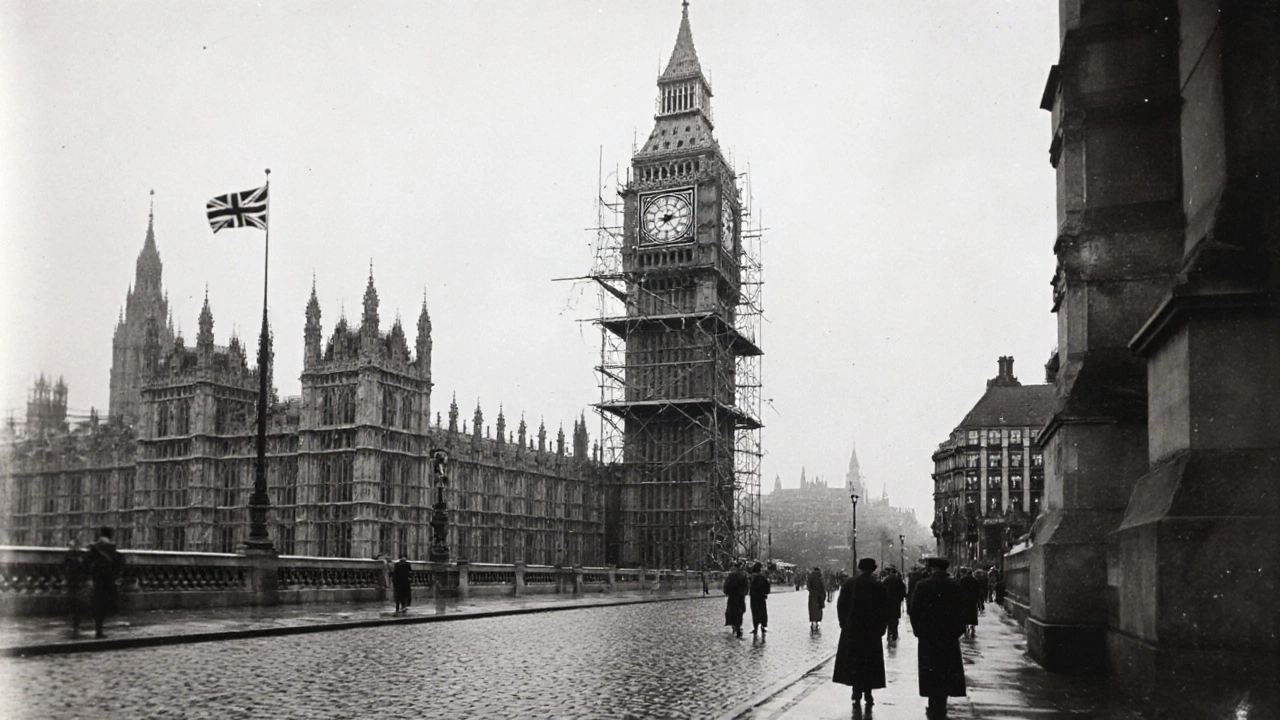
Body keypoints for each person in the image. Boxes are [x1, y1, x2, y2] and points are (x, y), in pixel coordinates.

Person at [909, 556, 967, 719]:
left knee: (930, 668)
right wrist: (957, 631)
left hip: (928, 635)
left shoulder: (923, 585)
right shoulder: (954, 585)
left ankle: (932, 700)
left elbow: (914, 610)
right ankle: (942, 701)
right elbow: (961, 611)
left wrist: (918, 630)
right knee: (946, 668)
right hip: (948, 636)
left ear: (932, 568)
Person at [832, 558, 888, 712]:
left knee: (855, 660)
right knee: (870, 662)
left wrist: (844, 623)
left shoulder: (850, 583)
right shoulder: (878, 585)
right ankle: (868, 692)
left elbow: (841, 605)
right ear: (873, 569)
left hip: (853, 630)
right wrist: (881, 627)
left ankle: (856, 691)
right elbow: (884, 609)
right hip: (871, 631)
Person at [83, 526, 123, 639]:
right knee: (105, 605)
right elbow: (117, 564)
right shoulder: (111, 547)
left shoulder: (94, 547)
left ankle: (97, 629)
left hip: (96, 580)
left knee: (97, 604)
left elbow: (86, 562)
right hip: (107, 580)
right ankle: (99, 630)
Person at [63, 538, 85, 638]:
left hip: (77, 582)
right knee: (74, 604)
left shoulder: (80, 555)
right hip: (73, 582)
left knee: (77, 604)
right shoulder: (69, 555)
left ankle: (76, 625)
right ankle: (75, 624)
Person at [723, 561, 749, 637]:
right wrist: (745, 592)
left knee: (733, 610)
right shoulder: (742, 576)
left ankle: (734, 625)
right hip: (739, 596)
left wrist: (726, 592)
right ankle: (737, 626)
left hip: (733, 596)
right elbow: (746, 586)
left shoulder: (731, 576)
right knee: (739, 611)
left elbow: (726, 585)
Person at [882, 567, 907, 642]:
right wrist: (903, 596)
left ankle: (889, 633)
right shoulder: (898, 579)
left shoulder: (886, 580)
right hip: (896, 601)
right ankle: (895, 633)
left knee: (888, 617)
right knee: (895, 617)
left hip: (887, 601)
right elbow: (903, 588)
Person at [748, 562, 771, 636]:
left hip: (754, 597)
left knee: (755, 612)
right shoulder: (762, 577)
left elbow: (749, 586)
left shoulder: (752, 577)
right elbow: (767, 585)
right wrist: (765, 593)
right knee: (762, 612)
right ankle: (763, 626)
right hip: (761, 597)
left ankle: (755, 627)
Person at [957, 568, 980, 637]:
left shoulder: (962, 580)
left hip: (964, 600)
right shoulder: (974, 580)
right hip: (972, 600)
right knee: (973, 614)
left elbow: (960, 590)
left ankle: (965, 629)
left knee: (965, 614)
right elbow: (977, 590)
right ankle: (973, 628)